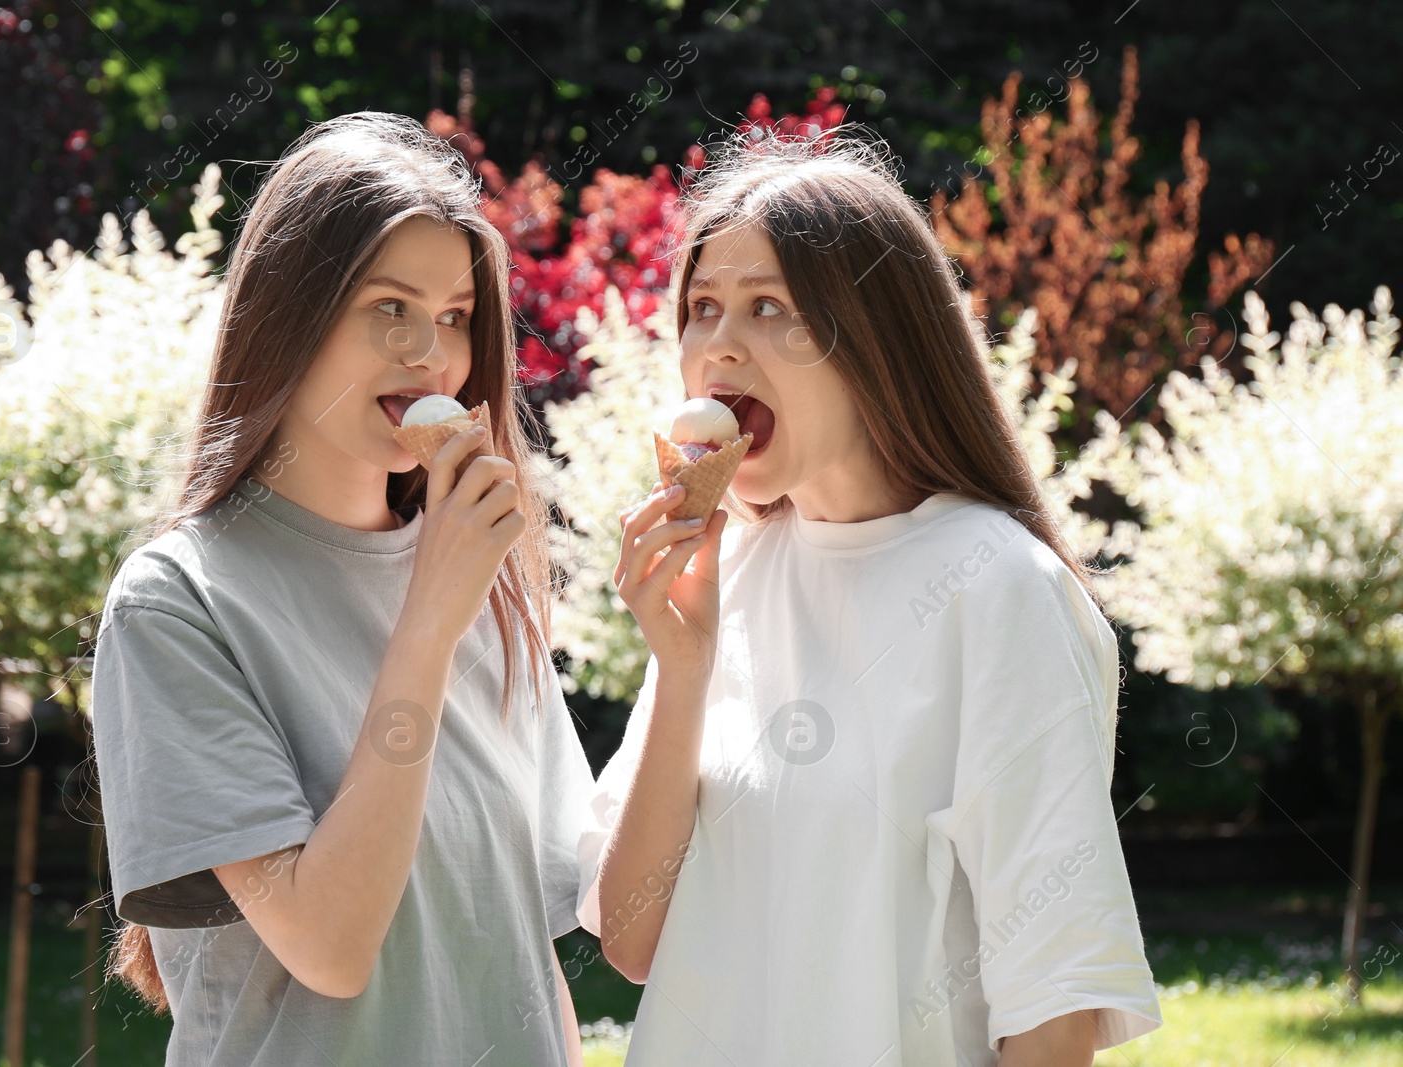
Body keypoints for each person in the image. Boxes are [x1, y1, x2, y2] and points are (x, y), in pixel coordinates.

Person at [579, 131, 1163, 1066]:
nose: (719, 346)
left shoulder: (1001, 587)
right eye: (701, 308)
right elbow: (632, 939)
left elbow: (1053, 1008)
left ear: (877, 342)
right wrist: (682, 668)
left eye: (770, 307)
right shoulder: (727, 576)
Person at [90, 113, 593, 1066]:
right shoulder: (177, 601)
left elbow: (519, 949)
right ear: (291, 316)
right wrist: (430, 620)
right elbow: (329, 941)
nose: (431, 353)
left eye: (453, 316)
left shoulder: (477, 573)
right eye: (389, 306)